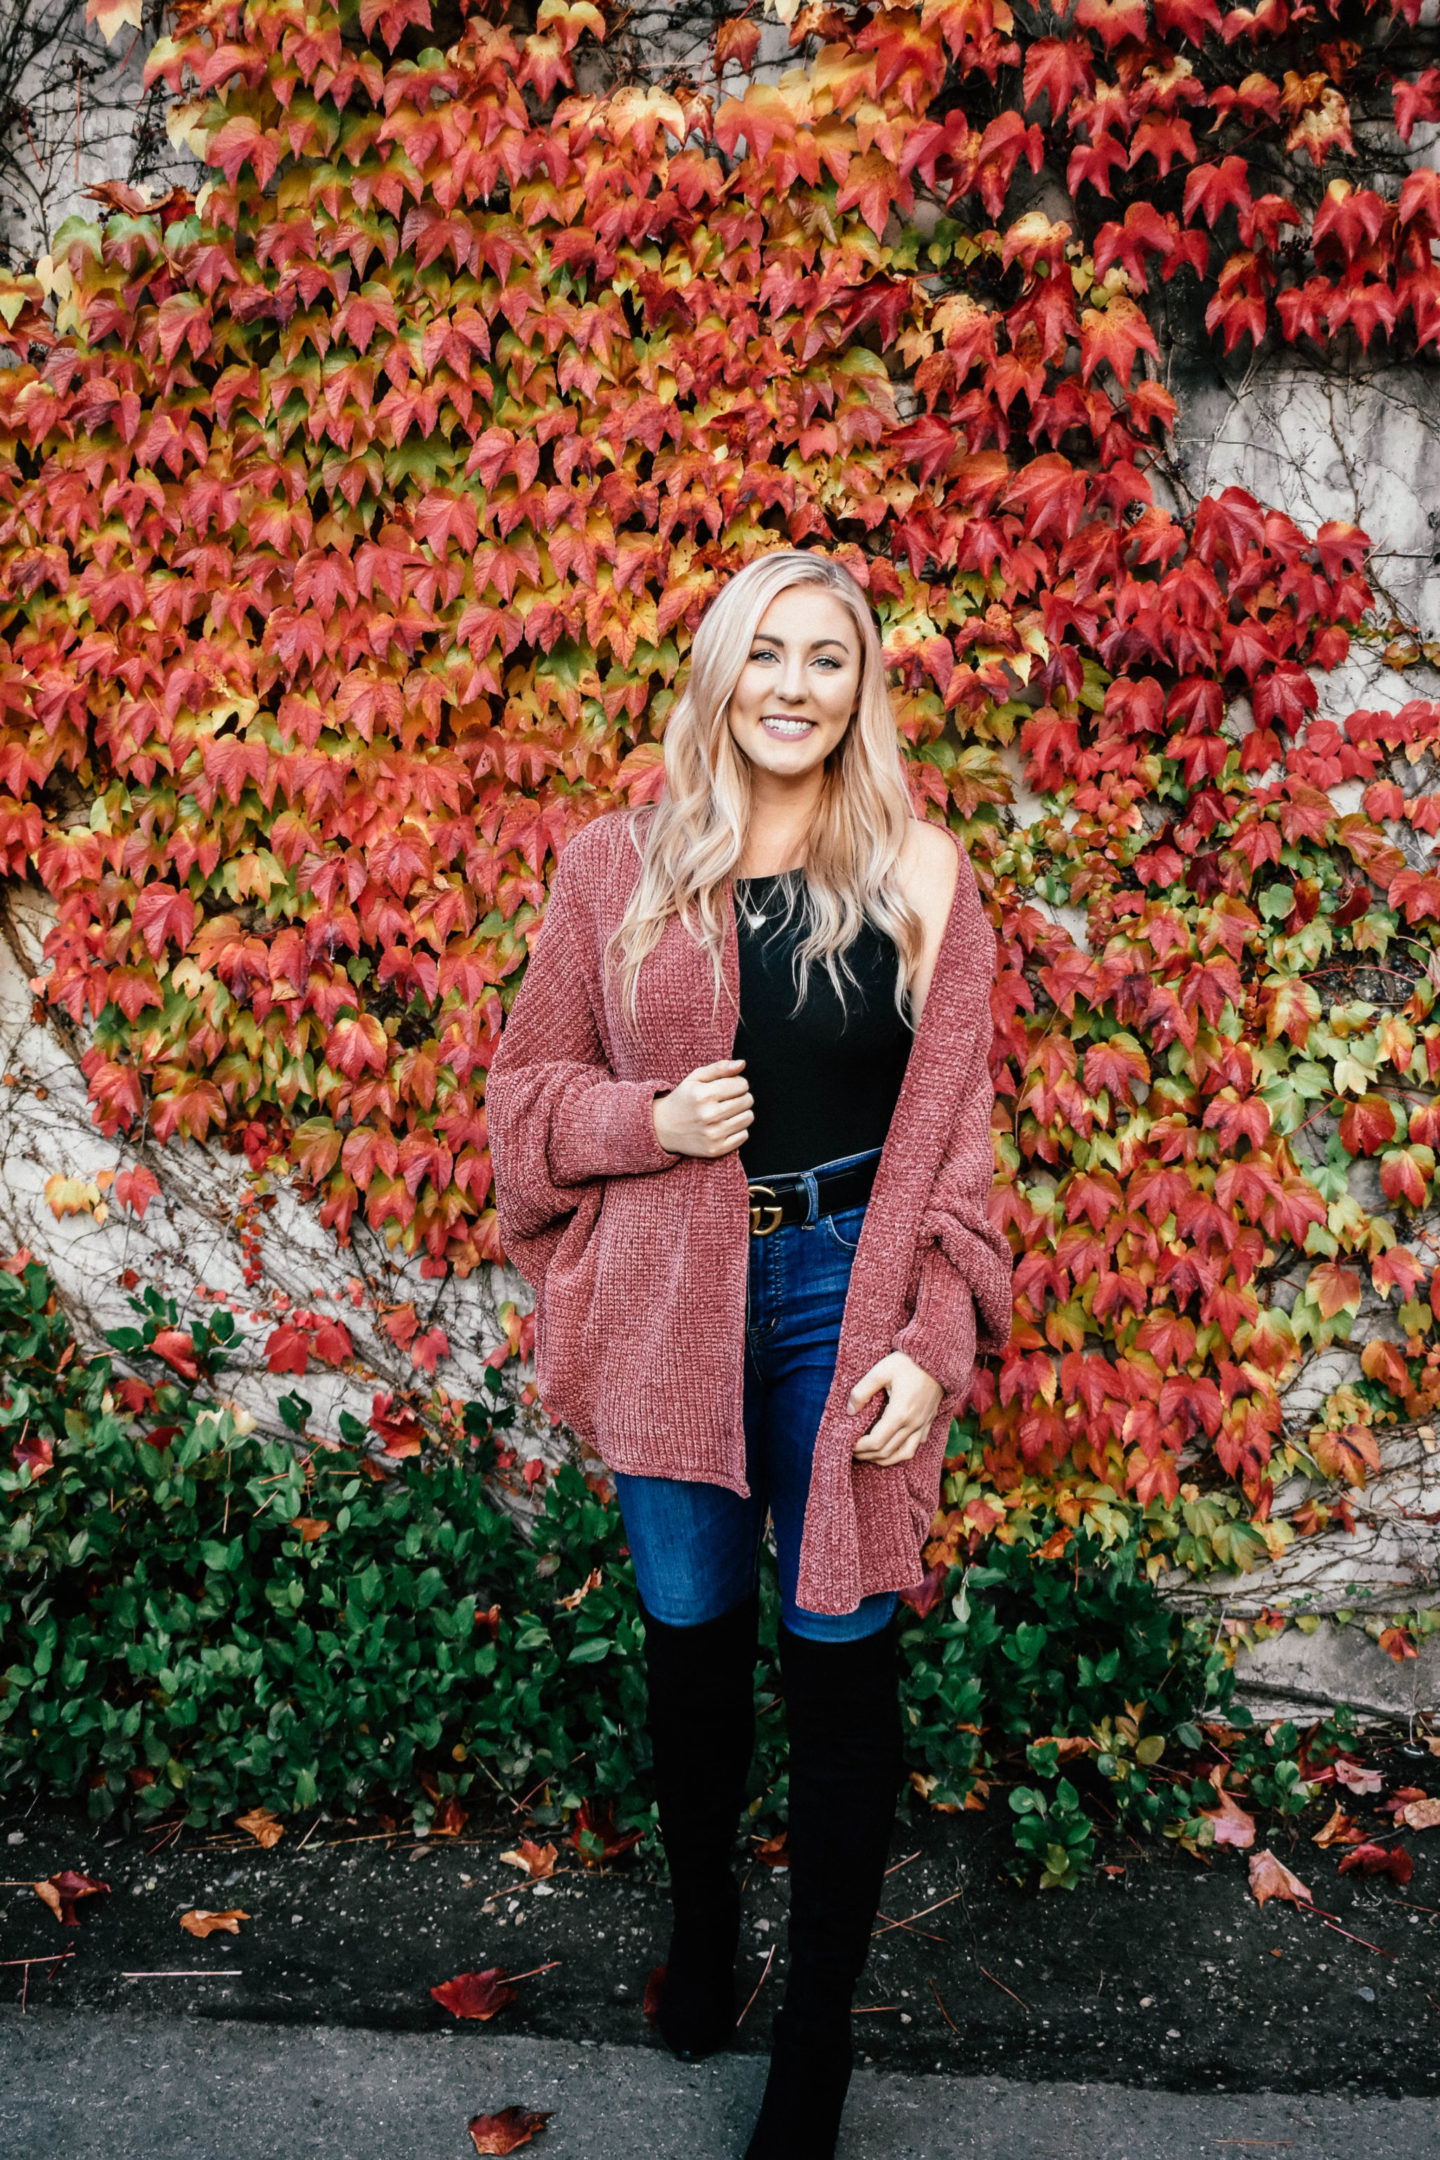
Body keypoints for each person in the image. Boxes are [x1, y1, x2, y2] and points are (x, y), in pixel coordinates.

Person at [487, 549, 1011, 2159]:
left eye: (828, 660)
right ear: (721, 674)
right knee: (694, 1645)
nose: (793, 685)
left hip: (846, 1295)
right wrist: (645, 1121)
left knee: (841, 1669)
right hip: (669, 1306)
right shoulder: (614, 869)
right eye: (765, 655)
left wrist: (939, 1339)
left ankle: (814, 2053)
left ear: (863, 691)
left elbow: (965, 1159)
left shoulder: (922, 877)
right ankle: (705, 1925)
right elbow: (518, 1109)